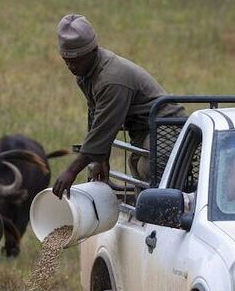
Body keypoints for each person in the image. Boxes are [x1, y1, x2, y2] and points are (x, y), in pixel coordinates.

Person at [51, 14, 186, 198]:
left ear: (93, 51)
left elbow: (104, 127)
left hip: (166, 126)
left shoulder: (111, 79)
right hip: (143, 129)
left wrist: (71, 172)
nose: (70, 66)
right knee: (137, 169)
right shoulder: (86, 73)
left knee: (150, 170)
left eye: (76, 60)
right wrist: (101, 159)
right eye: (66, 60)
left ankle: (168, 219)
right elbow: (97, 117)